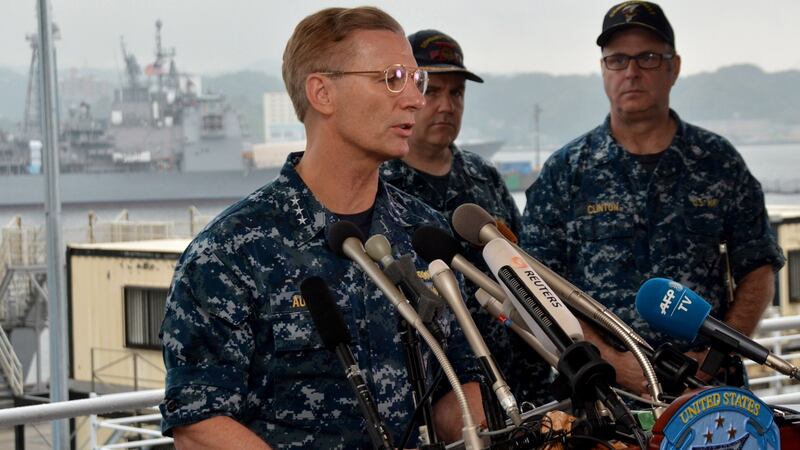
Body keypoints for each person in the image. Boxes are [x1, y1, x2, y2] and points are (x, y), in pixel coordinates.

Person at [159, 7, 484, 449]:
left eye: (416, 80)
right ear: (322, 93)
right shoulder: (229, 253)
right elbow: (200, 424)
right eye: (392, 78)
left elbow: (457, 385)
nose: (415, 99)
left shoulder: (424, 233)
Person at [520, 1, 784, 395]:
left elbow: (758, 270)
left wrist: (714, 358)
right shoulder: (565, 172)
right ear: (603, 70)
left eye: (648, 58)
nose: (632, 72)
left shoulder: (718, 163)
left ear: (673, 68)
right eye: (617, 60)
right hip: (605, 398)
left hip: (710, 394)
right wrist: (612, 362)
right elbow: (536, 285)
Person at [381, 29, 553, 406]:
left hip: (510, 386)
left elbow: (522, 277)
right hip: (428, 396)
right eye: (432, 91)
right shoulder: (379, 186)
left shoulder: (484, 178)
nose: (446, 106)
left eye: (456, 93)